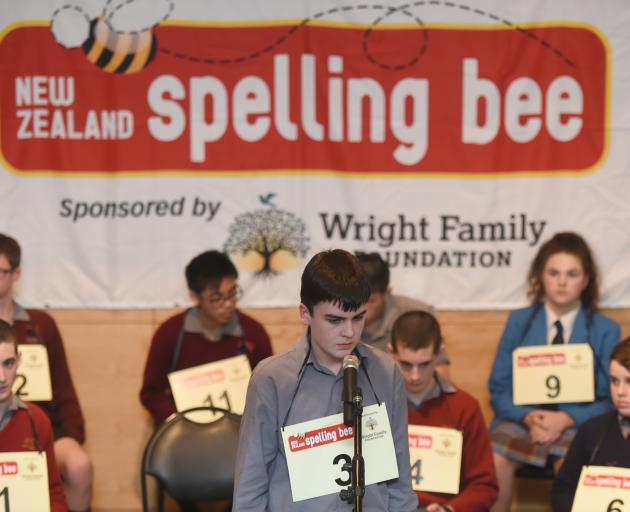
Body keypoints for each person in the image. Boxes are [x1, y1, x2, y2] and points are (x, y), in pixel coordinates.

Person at [232, 249, 418, 511]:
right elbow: (250, 486)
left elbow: (400, 481)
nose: (349, 332)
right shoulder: (272, 379)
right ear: (305, 313)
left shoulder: (386, 372)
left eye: (358, 318)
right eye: (335, 320)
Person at [488, 232, 620, 511]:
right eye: (554, 273)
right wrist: (528, 416)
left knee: (573, 465)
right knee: (495, 458)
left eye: (572, 274)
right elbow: (498, 389)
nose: (562, 282)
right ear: (540, 275)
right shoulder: (519, 321)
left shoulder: (605, 329)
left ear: (586, 280)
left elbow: (611, 398)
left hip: (577, 426)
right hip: (522, 422)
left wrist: (566, 418)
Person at [0, 234, 91, 512]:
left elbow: (63, 384)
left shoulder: (41, 324)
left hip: (38, 423)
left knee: (79, 465)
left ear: (16, 274)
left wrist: (72, 434)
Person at [140, 250, 272, 425]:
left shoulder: (253, 333)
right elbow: (151, 393)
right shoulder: (170, 333)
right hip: (185, 437)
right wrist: (178, 420)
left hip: (240, 434)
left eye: (233, 293)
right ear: (195, 297)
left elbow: (269, 388)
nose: (228, 304)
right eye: (216, 298)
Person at [389, 310, 498, 511]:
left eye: (424, 364)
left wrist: (450, 509)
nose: (415, 376)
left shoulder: (465, 407)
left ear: (440, 352)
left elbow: (484, 485)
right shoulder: (375, 405)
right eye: (406, 364)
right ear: (391, 352)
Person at [550, 336, 630, 511]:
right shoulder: (592, 430)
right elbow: (563, 491)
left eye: (629, 381)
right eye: (614, 381)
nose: (620, 392)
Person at [0, 319, 68, 511]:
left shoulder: (36, 420)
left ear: (19, 360)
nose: (2, 377)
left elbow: (53, 491)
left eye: (8, 363)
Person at [355, 252, 434, 351]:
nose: (361, 308)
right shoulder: (334, 315)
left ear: (387, 293)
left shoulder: (418, 316)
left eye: (371, 301)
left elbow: (440, 363)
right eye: (356, 299)